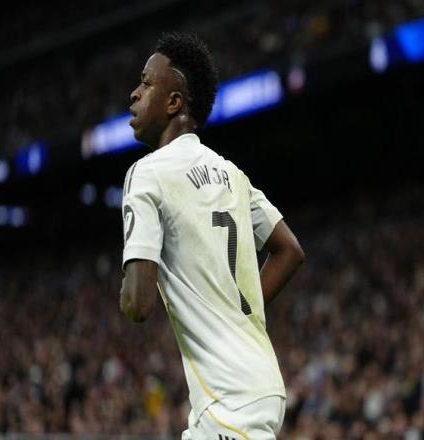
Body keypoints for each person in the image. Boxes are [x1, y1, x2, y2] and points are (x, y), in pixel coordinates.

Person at [120, 32, 305, 439]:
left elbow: (137, 303)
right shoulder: (232, 175)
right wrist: (239, 317)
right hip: (257, 382)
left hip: (229, 398)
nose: (134, 94)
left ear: (174, 102)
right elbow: (289, 250)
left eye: (146, 83)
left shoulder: (146, 174)